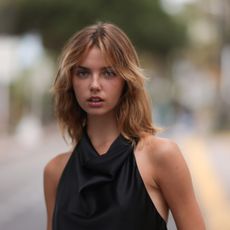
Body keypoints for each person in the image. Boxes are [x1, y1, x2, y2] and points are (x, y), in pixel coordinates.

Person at [43, 22, 205, 230]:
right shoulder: (55, 172)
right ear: (70, 81)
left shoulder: (161, 156)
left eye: (108, 73)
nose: (94, 84)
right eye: (83, 73)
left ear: (126, 81)